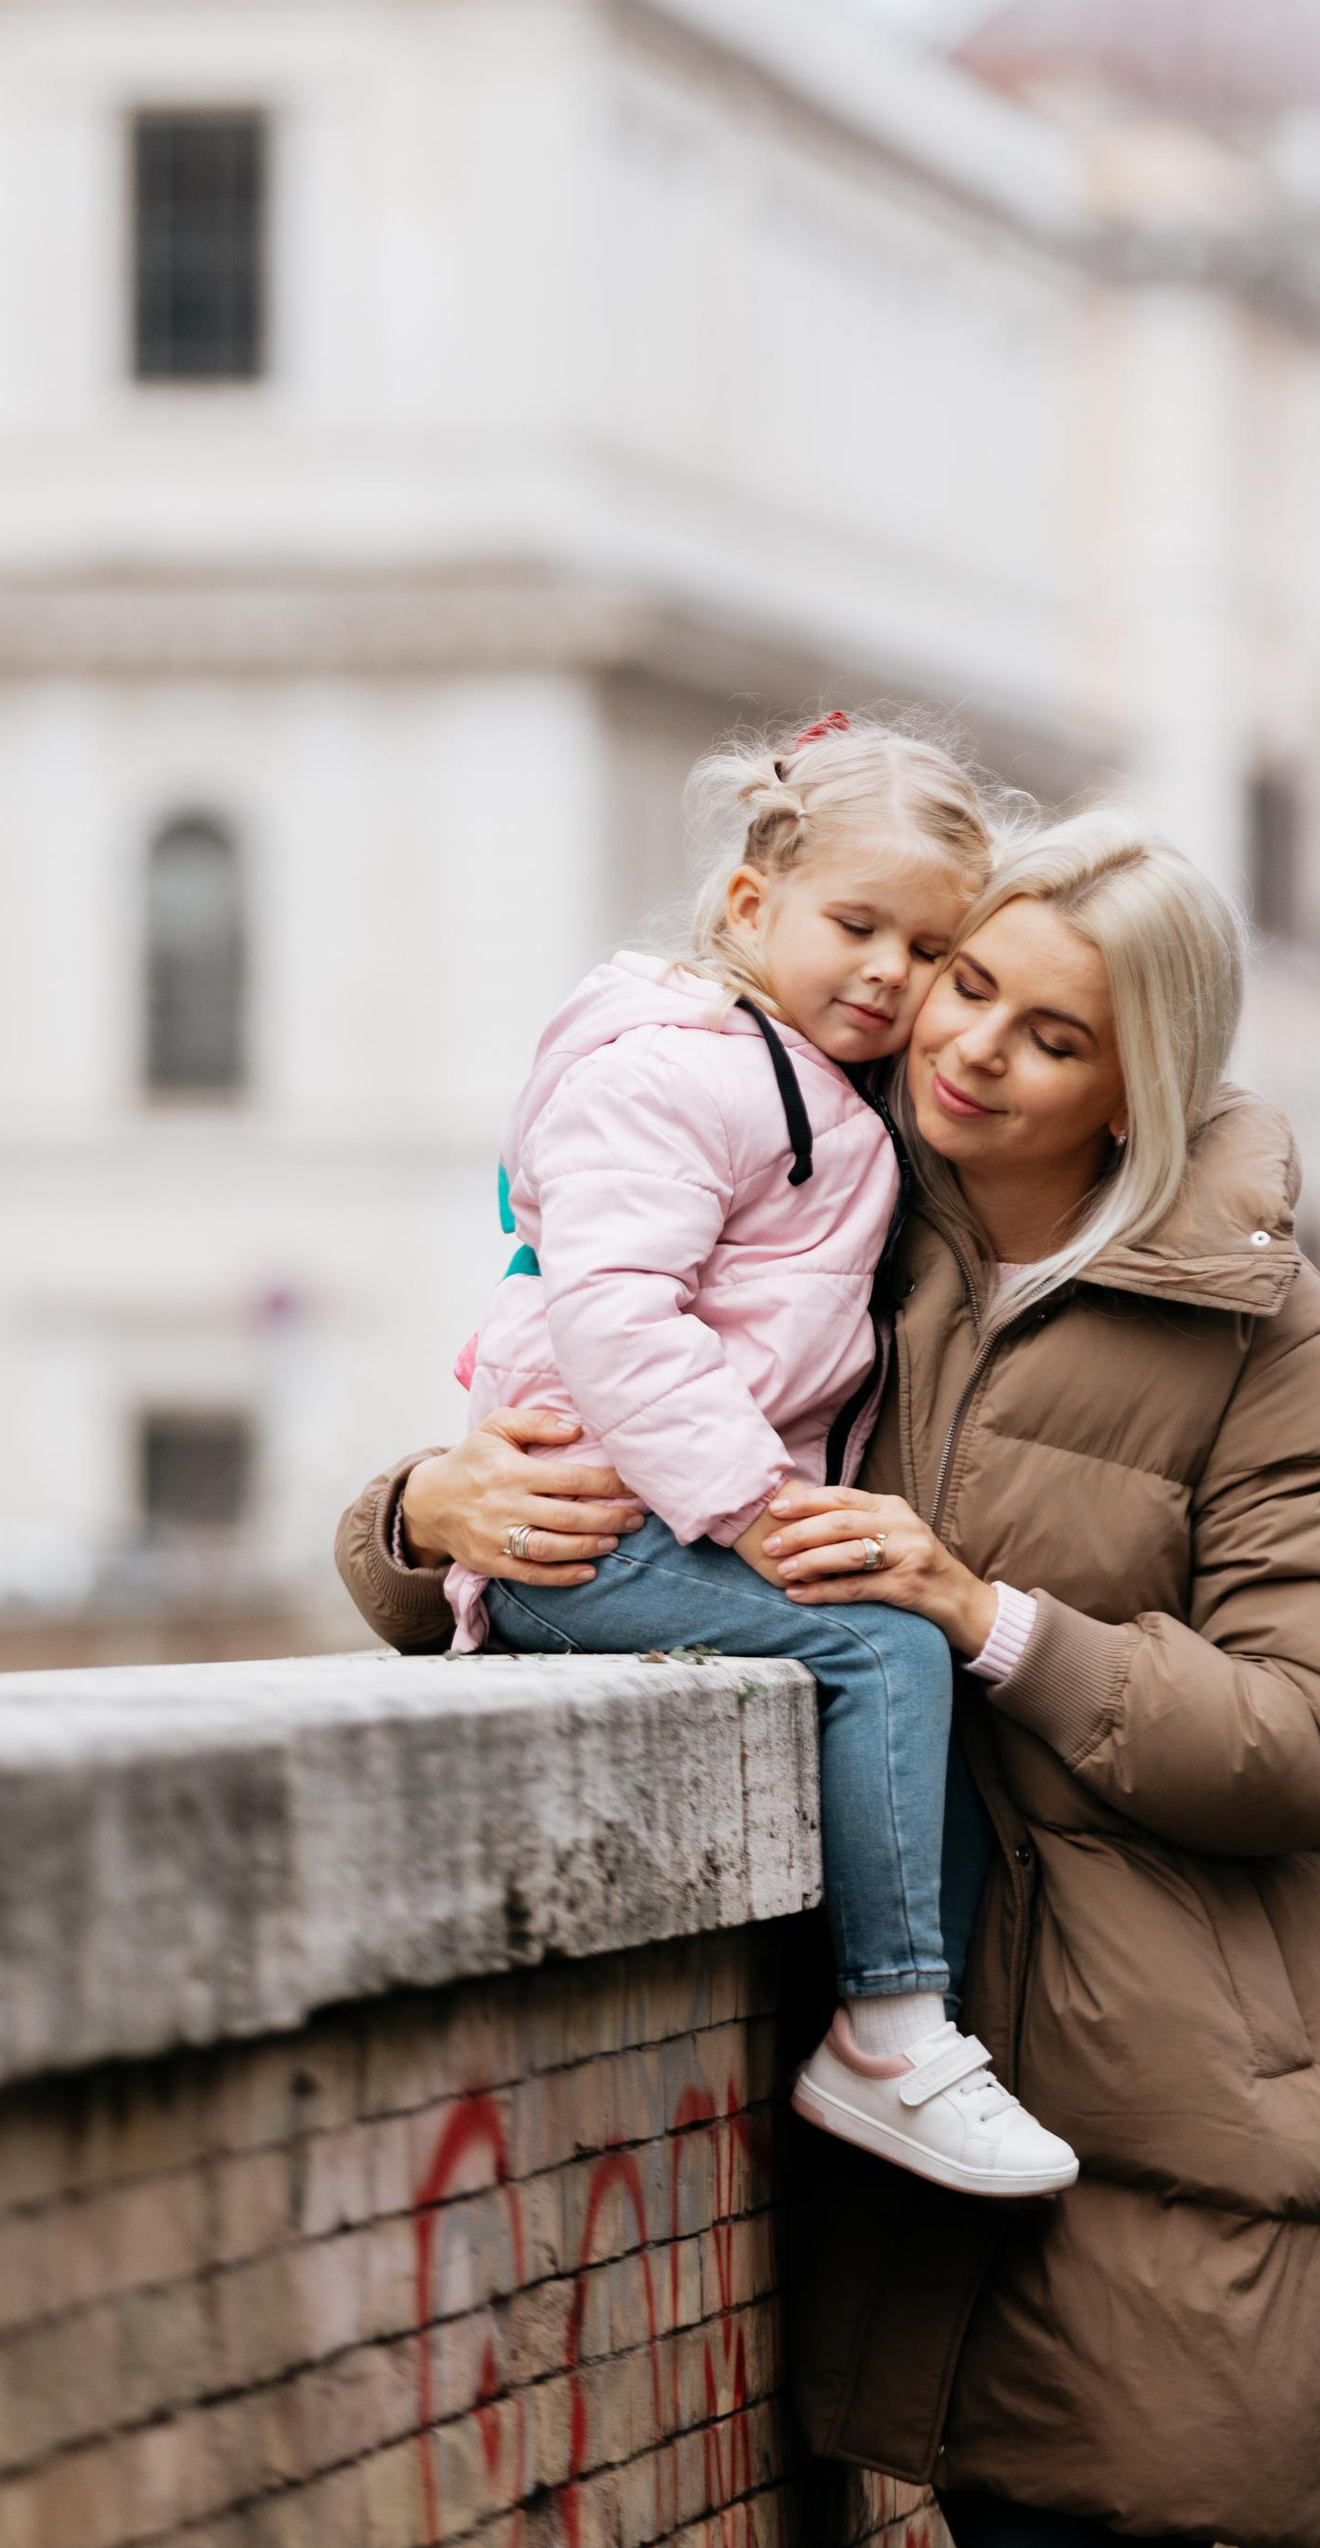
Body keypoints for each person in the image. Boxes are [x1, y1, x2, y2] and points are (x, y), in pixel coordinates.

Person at [339, 808, 1320, 2548]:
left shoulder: (1296, 1365)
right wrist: (420, 1511)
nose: (970, 1043)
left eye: (1053, 1034)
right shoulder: (840, 1236)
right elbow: (625, 1520)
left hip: (1154, 2130)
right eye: (965, 981)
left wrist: (989, 1619)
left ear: (1137, 1086)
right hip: (913, 2116)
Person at [435, 708, 1076, 2201]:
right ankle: (889, 2039)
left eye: (928, 950)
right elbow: (615, 1313)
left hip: (662, 1523)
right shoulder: (676, 1070)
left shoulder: (817, 1086)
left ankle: (924, 2018)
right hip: (600, 1537)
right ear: (747, 904)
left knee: (929, 1723)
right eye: (858, 926)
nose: (890, 976)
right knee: (883, 1652)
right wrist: (758, 1506)